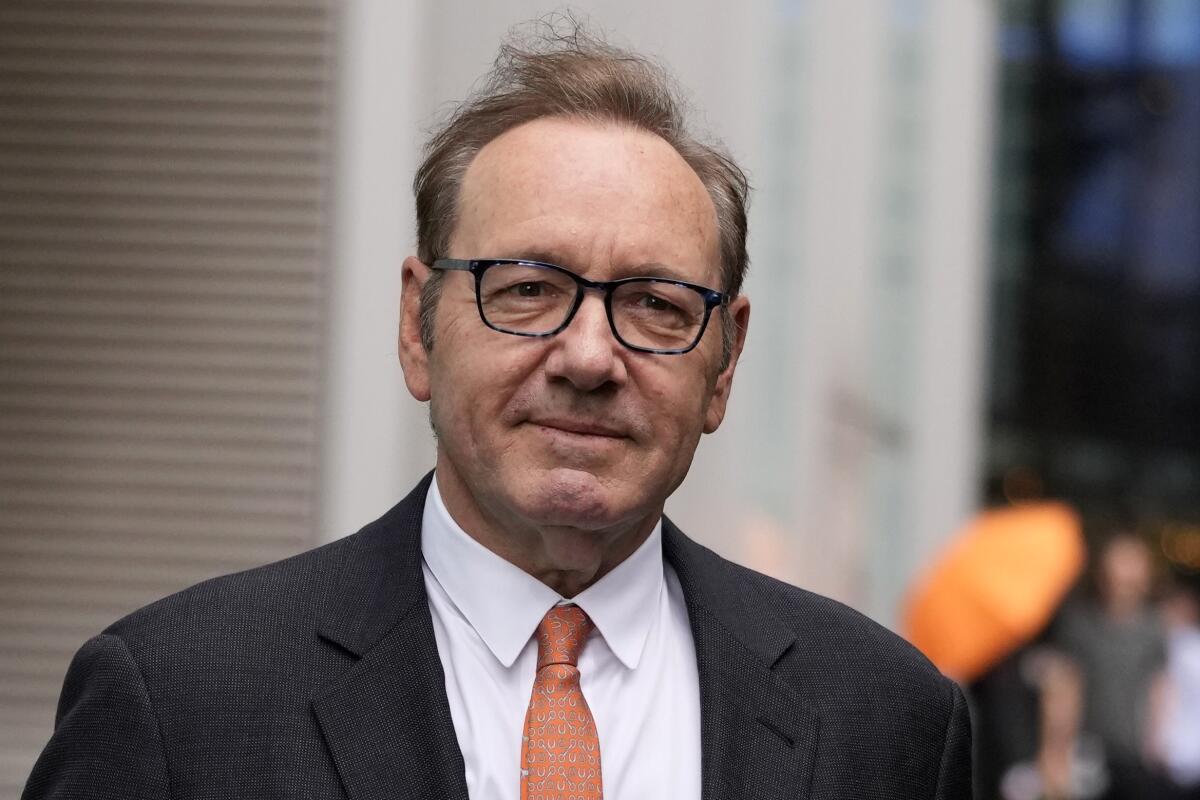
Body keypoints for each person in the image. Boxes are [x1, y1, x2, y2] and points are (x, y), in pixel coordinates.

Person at [22, 24, 972, 800]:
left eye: (655, 304)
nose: (591, 357)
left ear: (724, 365)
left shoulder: (886, 722)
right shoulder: (181, 703)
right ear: (417, 326)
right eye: (525, 288)